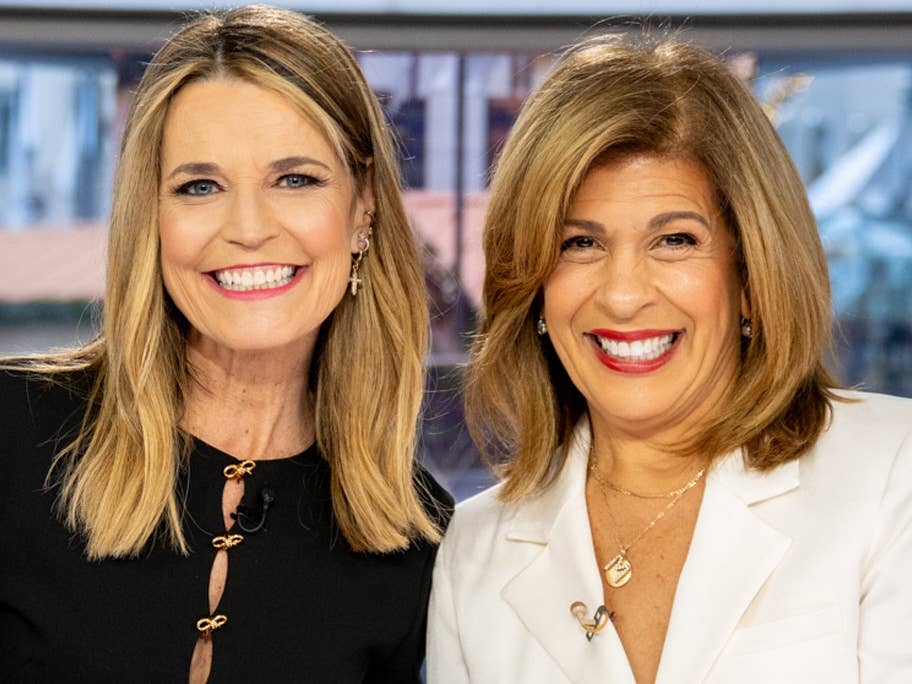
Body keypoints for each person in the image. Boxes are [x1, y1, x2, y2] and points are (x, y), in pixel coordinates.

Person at [427, 36, 912, 684]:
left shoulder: (893, 471)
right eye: (579, 244)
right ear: (535, 286)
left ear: (750, 274)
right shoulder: (474, 550)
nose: (623, 295)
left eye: (675, 240)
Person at [0, 6, 451, 682]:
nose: (247, 227)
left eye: (295, 179)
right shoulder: (12, 430)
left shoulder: (417, 539)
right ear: (152, 215)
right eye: (200, 186)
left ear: (364, 207)